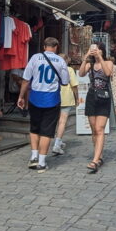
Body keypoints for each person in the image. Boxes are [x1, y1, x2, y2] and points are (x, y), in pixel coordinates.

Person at [16, 37, 70, 172]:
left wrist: (21, 96)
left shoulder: (35, 58)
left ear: (44, 46)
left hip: (35, 98)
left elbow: (25, 80)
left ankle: (34, 156)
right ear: (56, 47)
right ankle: (41, 162)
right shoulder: (61, 61)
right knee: (47, 131)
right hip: (52, 99)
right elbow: (65, 82)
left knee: (34, 127)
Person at [79, 42, 114, 174]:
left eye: (98, 49)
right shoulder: (90, 64)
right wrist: (86, 57)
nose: (95, 51)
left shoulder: (108, 62)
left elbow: (108, 73)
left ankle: (95, 160)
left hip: (104, 97)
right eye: (94, 49)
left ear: (102, 51)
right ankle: (99, 155)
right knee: (94, 130)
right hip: (92, 97)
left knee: (100, 129)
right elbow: (81, 74)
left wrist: (100, 58)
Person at [51, 54, 81, 156]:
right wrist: (77, 98)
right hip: (66, 97)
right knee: (62, 122)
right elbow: (74, 85)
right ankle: (57, 143)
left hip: (53, 97)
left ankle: (57, 140)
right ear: (66, 61)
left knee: (55, 120)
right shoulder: (69, 69)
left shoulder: (52, 68)